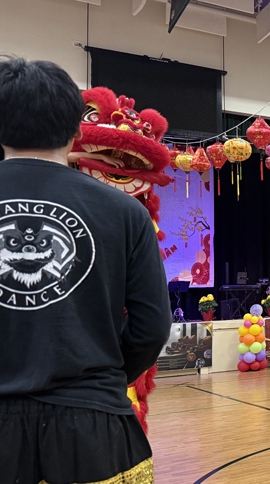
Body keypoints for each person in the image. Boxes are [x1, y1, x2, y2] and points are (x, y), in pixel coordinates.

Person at [0, 56, 171, 482]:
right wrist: (102, 379)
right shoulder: (126, 212)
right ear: (77, 130)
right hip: (92, 430)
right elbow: (151, 327)